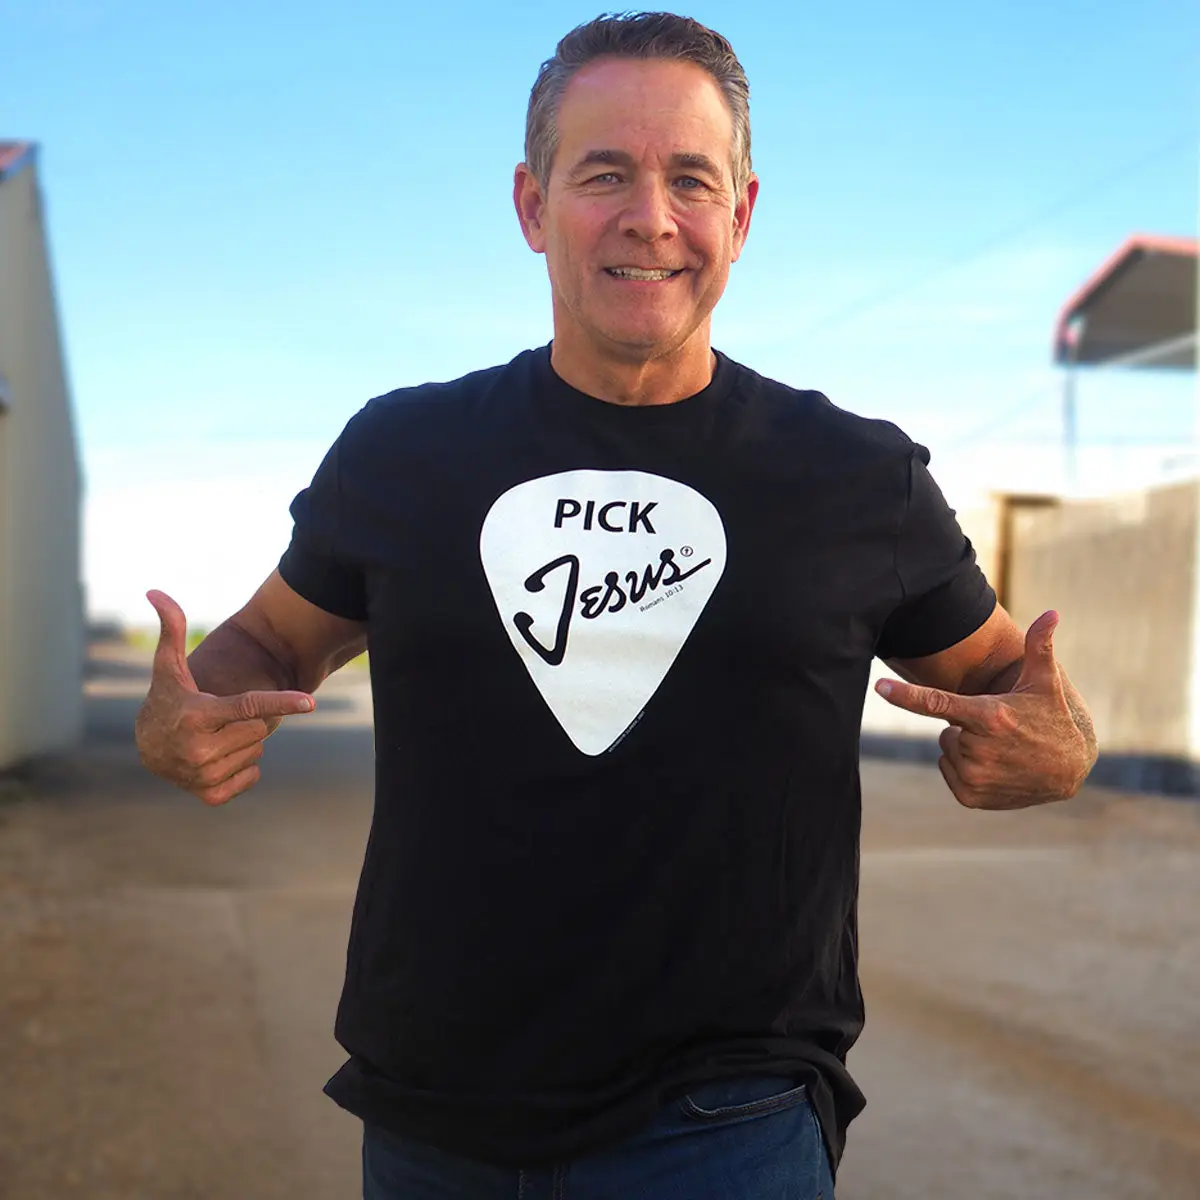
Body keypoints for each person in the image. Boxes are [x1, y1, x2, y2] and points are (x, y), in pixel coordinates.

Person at [135, 12, 1098, 1199]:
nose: (651, 216)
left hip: (729, 1123)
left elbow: (1008, 675)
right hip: (434, 1113)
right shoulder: (403, 453)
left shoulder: (856, 478)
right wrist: (193, 704)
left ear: (741, 216)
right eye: (604, 175)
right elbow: (269, 639)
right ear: (533, 205)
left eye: (692, 178)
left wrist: (1057, 742)